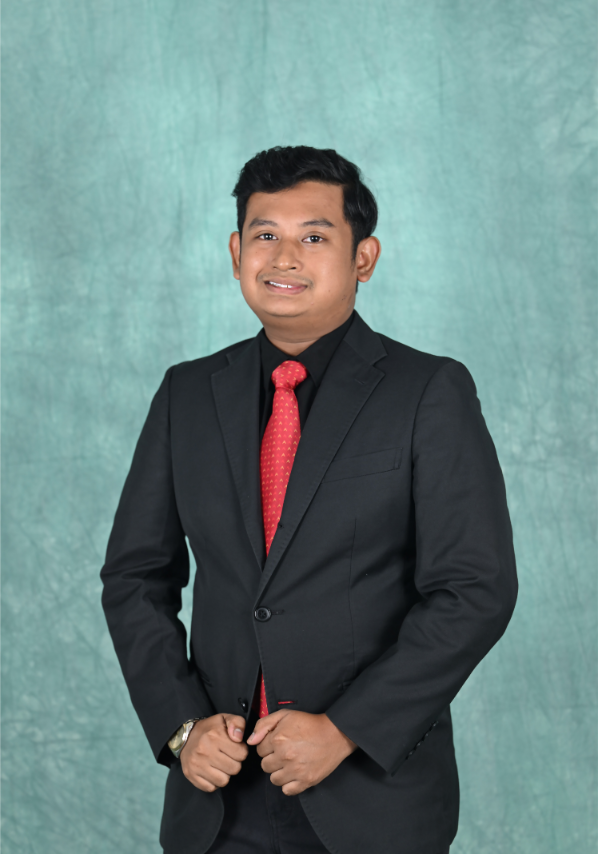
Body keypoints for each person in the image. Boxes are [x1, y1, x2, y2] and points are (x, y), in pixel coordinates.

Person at [100, 145, 518, 854]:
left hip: (371, 798)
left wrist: (346, 729)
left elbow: (475, 589)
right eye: (265, 234)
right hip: (217, 801)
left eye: (315, 237)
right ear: (237, 253)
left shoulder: (428, 391)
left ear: (364, 258)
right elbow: (134, 579)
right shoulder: (186, 395)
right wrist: (182, 727)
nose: (285, 257)